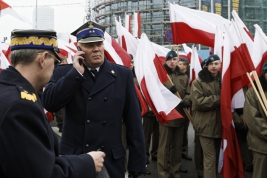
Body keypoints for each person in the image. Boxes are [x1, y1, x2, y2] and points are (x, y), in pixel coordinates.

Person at [42, 21, 146, 178]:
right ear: (79, 49)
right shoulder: (65, 73)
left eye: (99, 44)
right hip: (75, 159)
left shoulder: (122, 75)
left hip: (110, 159)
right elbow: (49, 103)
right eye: (90, 45)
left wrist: (137, 164)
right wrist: (75, 75)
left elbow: (134, 122)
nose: (96, 49)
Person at [0, 29, 105, 177]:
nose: (55, 68)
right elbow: (42, 174)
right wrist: (87, 162)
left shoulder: (7, 91)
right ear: (43, 59)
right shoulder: (20, 105)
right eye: (55, 62)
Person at [157, 50, 191, 178]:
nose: (172, 62)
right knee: (164, 147)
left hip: (180, 115)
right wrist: (167, 90)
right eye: (170, 60)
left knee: (176, 148)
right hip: (166, 116)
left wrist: (186, 101)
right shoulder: (161, 76)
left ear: (178, 61)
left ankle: (175, 172)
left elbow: (188, 92)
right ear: (166, 61)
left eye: (175, 60)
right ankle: (163, 173)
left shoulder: (184, 76)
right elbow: (156, 93)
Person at [191, 54, 222, 178]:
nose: (214, 66)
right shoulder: (198, 82)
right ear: (206, 66)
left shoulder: (222, 79)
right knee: (210, 158)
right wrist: (220, 99)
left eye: (216, 64)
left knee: (215, 158)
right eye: (211, 64)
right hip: (205, 126)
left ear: (220, 65)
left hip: (220, 125)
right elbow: (199, 102)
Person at [243, 61, 267, 178]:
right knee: (260, 174)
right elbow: (252, 119)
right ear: (264, 74)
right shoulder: (253, 92)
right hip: (261, 145)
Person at [177, 57, 192, 161]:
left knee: (184, 132)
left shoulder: (188, 77)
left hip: (185, 109)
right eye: (182, 64)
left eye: (186, 64)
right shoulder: (170, 76)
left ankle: (184, 151)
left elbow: (188, 92)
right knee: (176, 136)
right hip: (175, 110)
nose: (184, 66)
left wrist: (186, 101)